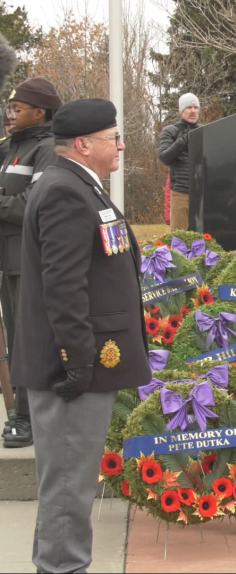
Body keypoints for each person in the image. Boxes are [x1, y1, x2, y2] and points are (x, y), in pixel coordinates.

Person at [12, 98, 149, 573]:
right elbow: (63, 285)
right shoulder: (65, 191)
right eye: (115, 138)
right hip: (71, 369)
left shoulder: (76, 186)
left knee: (69, 490)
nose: (122, 146)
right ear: (85, 145)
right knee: (69, 490)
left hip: (81, 362)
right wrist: (78, 358)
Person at [0, 78, 63, 448]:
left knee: (26, 340)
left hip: (27, 259)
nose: (9, 115)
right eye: (9, 108)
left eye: (17, 109)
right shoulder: (10, 148)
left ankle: (26, 418)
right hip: (7, 259)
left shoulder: (47, 148)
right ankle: (19, 413)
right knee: (13, 338)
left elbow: (32, 205)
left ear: (40, 113)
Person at [159, 93, 201, 230]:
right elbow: (165, 157)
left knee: (205, 239)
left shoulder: (205, 130)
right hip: (181, 193)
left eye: (196, 107)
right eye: (189, 107)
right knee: (180, 239)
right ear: (182, 110)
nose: (193, 111)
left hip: (203, 193)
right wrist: (182, 141)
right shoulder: (170, 131)